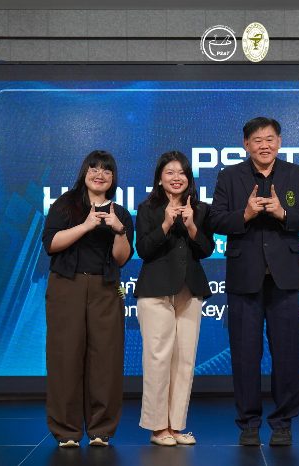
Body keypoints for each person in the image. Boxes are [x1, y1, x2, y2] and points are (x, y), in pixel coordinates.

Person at [209, 117, 299, 447]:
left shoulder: (296, 175)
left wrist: (282, 213)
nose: (264, 145)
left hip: (284, 279)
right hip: (245, 278)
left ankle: (283, 422)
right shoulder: (229, 177)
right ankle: (248, 423)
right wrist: (245, 214)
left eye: (270, 139)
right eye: (257, 140)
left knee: (286, 353)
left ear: (280, 142)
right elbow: (215, 220)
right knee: (245, 354)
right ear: (246, 145)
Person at [41, 150, 134, 448]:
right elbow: (51, 244)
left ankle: (101, 429)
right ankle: (66, 431)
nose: (99, 174)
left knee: (106, 359)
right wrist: (86, 225)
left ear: (113, 178)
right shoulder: (65, 205)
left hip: (106, 289)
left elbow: (121, 258)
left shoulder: (120, 213)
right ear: (84, 173)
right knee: (64, 357)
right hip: (66, 286)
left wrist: (119, 231)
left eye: (107, 170)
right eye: (94, 168)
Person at [135, 151, 215, 446]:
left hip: (189, 291)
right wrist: (166, 224)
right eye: (170, 172)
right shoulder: (148, 209)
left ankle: (176, 425)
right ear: (159, 178)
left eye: (181, 172)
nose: (176, 177)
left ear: (189, 178)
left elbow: (206, 249)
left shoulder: (201, 209)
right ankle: (158, 428)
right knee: (158, 359)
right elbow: (143, 249)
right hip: (155, 291)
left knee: (185, 359)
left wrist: (192, 226)